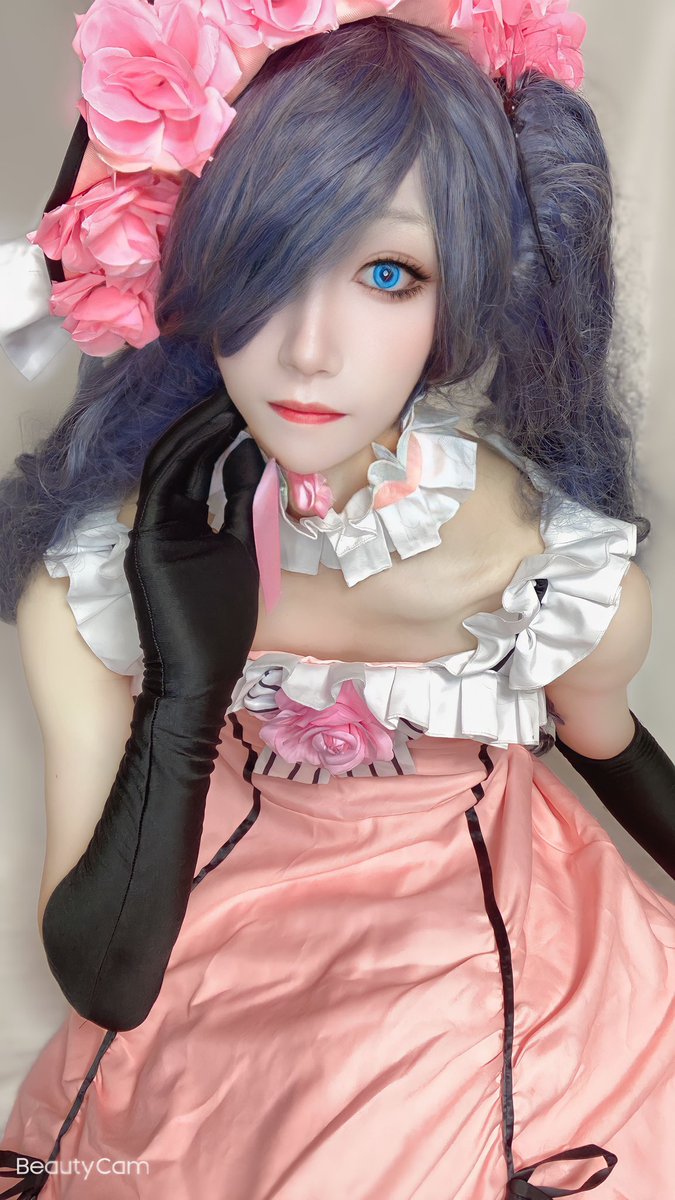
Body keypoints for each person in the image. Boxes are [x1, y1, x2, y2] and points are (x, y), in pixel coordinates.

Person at [0, 4, 674, 1198]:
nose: (311, 349)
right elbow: (106, 981)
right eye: (265, 259)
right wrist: (187, 686)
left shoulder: (552, 571)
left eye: (387, 273)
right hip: (205, 969)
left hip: (505, 962)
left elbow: (605, 738)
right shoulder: (96, 586)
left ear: (465, 290)